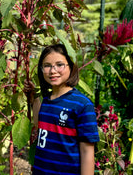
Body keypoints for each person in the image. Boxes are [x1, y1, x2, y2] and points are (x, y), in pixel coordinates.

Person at [24, 44, 99, 175]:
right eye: (47, 66)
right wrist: (34, 98)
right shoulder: (47, 100)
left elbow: (87, 152)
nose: (53, 71)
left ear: (71, 66)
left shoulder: (82, 104)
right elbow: (40, 126)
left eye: (60, 65)